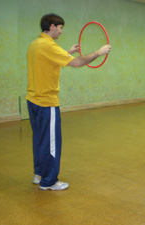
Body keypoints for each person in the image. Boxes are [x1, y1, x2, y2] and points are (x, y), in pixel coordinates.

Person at [26, 13, 111, 191]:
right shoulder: (49, 45)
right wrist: (99, 52)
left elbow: (49, 60)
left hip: (33, 100)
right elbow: (78, 63)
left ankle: (39, 174)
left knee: (39, 140)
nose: (61, 32)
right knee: (50, 143)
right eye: (60, 27)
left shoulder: (36, 44)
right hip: (46, 102)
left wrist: (68, 52)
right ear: (51, 27)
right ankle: (49, 181)